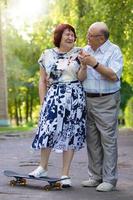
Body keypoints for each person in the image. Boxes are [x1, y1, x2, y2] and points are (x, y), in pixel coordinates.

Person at [29, 24, 87, 187]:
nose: (70, 37)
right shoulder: (46, 54)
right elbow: (42, 80)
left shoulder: (79, 52)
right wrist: (43, 102)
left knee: (71, 133)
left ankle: (65, 175)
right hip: (54, 96)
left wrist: (83, 66)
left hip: (74, 97)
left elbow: (82, 77)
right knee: (47, 129)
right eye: (67, 34)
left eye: (72, 35)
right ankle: (43, 167)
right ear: (59, 36)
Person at [78, 22, 123, 192]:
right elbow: (81, 77)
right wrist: (83, 65)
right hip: (88, 99)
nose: (87, 38)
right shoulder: (86, 50)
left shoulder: (114, 51)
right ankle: (95, 176)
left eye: (90, 35)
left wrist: (94, 64)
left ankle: (109, 180)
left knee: (108, 140)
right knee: (92, 140)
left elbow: (113, 75)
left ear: (101, 38)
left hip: (107, 100)